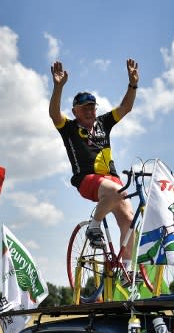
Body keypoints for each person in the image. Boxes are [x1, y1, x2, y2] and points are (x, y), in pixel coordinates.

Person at [49, 58, 139, 254]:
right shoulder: (69, 128)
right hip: (87, 179)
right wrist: (58, 87)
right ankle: (94, 226)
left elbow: (126, 107)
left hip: (111, 178)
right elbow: (54, 114)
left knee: (130, 221)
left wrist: (133, 84)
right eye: (85, 108)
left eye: (92, 107)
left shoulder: (103, 123)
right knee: (118, 190)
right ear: (75, 111)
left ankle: (126, 271)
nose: (90, 111)